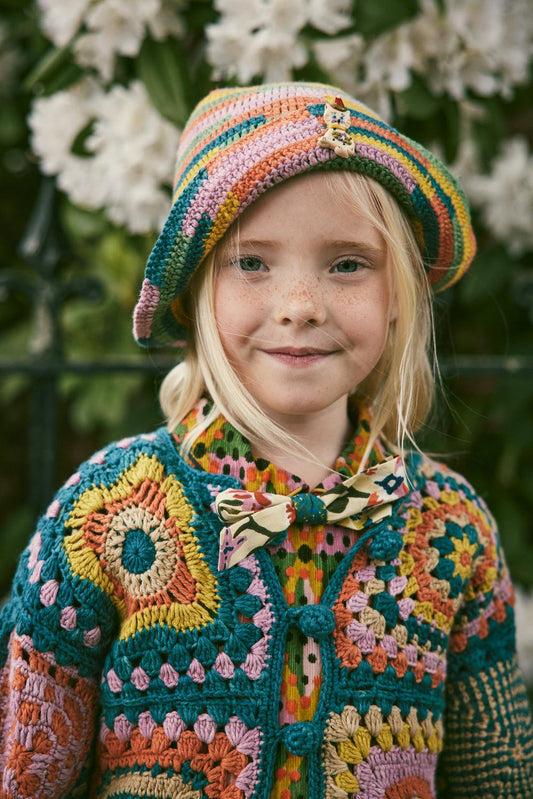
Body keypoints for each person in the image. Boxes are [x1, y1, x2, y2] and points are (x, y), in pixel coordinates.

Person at [1, 82, 532, 799]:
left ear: (397, 294)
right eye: (252, 262)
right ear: (197, 291)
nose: (300, 307)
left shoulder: (449, 530)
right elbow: (23, 770)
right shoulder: (108, 511)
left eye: (347, 263)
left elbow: (498, 780)